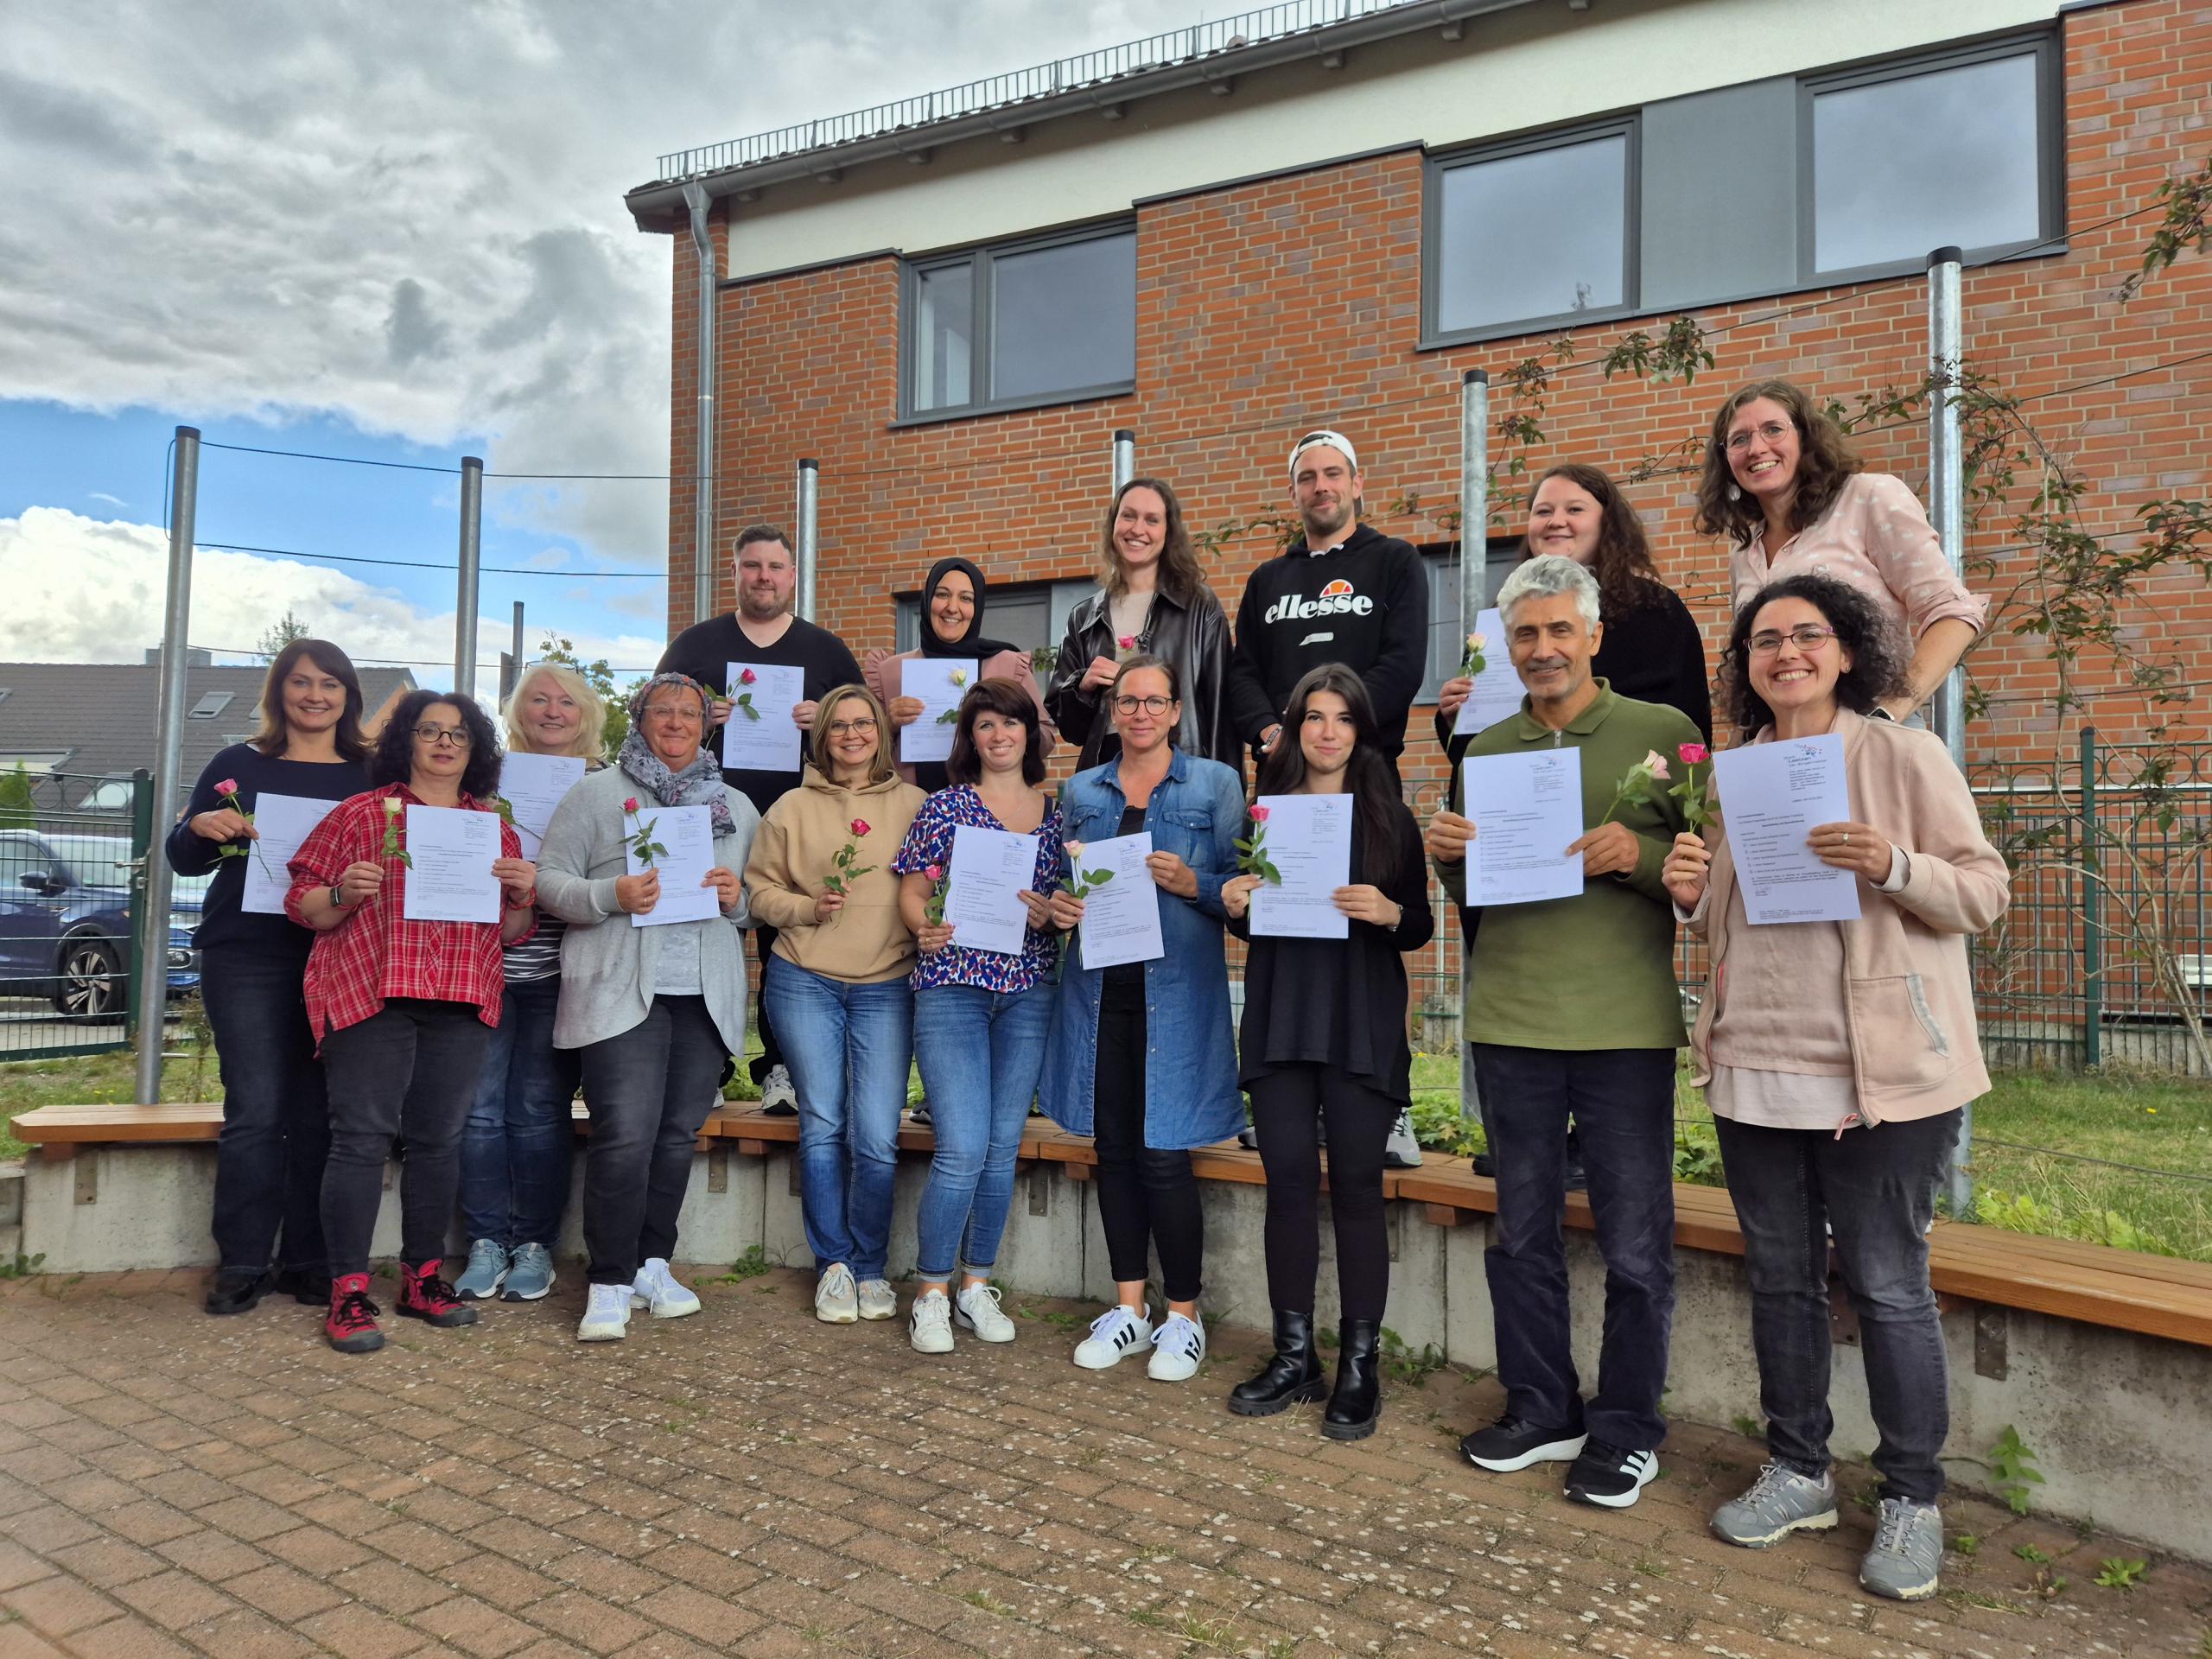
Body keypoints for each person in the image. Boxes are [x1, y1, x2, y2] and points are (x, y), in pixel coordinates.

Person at [1663, 575, 2008, 1602]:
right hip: (1754, 1066)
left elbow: (1982, 891)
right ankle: (1799, 1470)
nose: (1786, 654)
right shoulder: (1738, 771)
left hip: (1884, 1073)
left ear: (1847, 651)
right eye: (1764, 641)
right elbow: (1728, 917)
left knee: (1888, 1285)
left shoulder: (1903, 754)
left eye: (1806, 635)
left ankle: (1911, 1498)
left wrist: (1893, 863)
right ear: (1748, 665)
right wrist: (1690, 895)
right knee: (1779, 1281)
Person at [1427, 555, 1699, 1510]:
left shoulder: (1663, 734)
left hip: (1623, 1025)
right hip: (1512, 1020)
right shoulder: (1485, 749)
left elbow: (1709, 867)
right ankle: (1543, 1407)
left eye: (1557, 630)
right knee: (1521, 1236)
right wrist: (1447, 857)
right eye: (1525, 634)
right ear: (1508, 648)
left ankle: (1627, 1429)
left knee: (1636, 1246)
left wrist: (1642, 854)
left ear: (1592, 636)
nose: (1542, 648)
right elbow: (1477, 893)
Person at [285, 690, 537, 1355]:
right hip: (373, 993)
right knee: (360, 1141)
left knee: (438, 1142)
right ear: (407, 741)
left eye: (460, 734)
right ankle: (347, 1290)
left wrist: (520, 893)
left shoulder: (493, 828)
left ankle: (422, 1278)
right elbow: (304, 904)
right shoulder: (361, 814)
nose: (446, 743)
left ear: (476, 750)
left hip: (460, 995)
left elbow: (513, 931)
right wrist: (342, 892)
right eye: (430, 730)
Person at [1221, 664, 1433, 1440]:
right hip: (1282, 1017)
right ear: (1295, 727)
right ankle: (1294, 1357)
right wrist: (1234, 902)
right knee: (1285, 1186)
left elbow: (1419, 925)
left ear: (1361, 730)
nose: (1328, 731)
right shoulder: (1266, 815)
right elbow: (1253, 918)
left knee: (1356, 1191)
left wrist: (1388, 910)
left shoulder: (1389, 818)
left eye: (1343, 718)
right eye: (1314, 716)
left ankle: (1360, 1366)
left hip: (1358, 1024)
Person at [1040, 655, 1245, 1382]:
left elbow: (1243, 889)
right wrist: (1061, 908)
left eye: (1155, 702)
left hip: (1177, 999)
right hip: (1099, 997)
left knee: (1164, 1154)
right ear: (1113, 710)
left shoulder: (1215, 784)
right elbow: (1061, 884)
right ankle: (1129, 1308)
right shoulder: (1081, 790)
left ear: (1176, 712)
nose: (1141, 714)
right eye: (1128, 701)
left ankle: (1183, 1317)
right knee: (1116, 1152)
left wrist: (1196, 884)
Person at [537, 674, 756, 1343]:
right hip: (621, 990)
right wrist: (613, 895)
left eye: (689, 712)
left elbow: (754, 904)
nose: (676, 722)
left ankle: (651, 1266)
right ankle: (608, 1281)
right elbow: (548, 882)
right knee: (625, 1134)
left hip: (703, 994)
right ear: (640, 718)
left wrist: (737, 900)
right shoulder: (596, 793)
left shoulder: (736, 806)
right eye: (663, 710)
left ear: (707, 725)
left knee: (674, 1137)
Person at [168, 639, 373, 1316]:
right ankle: (244, 1261)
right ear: (279, 690)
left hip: (339, 955)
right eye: (301, 682)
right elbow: (183, 857)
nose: (315, 696)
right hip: (247, 954)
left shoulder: (372, 774)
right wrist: (199, 828)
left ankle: (310, 1261)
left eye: (330, 685)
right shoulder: (237, 763)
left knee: (322, 1113)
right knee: (255, 1108)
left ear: (348, 697)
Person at [658, 523, 863, 1115]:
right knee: (705, 937)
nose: (764, 577)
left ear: (793, 576)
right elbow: (656, 716)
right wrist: (700, 715)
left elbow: (864, 729)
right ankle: (709, 1068)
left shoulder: (825, 650)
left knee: (785, 944)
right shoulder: (695, 645)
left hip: (798, 821)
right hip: (704, 821)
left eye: (775, 567)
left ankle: (780, 1069)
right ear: (735, 573)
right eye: (752, 566)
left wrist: (825, 718)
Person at [742, 683, 925, 1326]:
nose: (852, 735)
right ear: (821, 736)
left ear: (881, 732)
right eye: (839, 725)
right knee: (822, 1125)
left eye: (863, 723)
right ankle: (835, 1266)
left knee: (876, 1135)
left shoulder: (916, 804)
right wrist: (805, 907)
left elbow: (938, 884)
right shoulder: (791, 807)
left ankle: (871, 1267)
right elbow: (759, 892)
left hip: (887, 983)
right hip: (805, 980)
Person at [891, 677, 1064, 1356]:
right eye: (985, 725)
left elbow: (1067, 905)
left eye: (1010, 723)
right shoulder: (946, 805)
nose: (999, 735)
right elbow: (913, 890)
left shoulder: (1057, 815)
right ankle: (931, 1292)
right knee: (962, 1147)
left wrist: (1051, 913)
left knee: (999, 1149)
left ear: (1029, 734)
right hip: (953, 987)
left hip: (1027, 991)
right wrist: (922, 927)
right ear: (971, 737)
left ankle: (975, 1285)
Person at [1696, 377, 1986, 723]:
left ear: (1805, 437)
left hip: (1872, 729)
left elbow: (1952, 613)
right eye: (1739, 439)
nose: (1756, 448)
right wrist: (1743, 745)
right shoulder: (1744, 554)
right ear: (1725, 459)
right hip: (1781, 740)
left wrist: (1888, 714)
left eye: (1773, 430)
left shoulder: (1868, 499)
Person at [453, 664, 605, 1303]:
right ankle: (486, 1242)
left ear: (586, 714)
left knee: (539, 1110)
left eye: (566, 701)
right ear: (518, 711)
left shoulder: (603, 784)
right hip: (483, 966)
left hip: (560, 970)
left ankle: (535, 1244)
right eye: (538, 699)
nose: (552, 711)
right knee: (479, 1111)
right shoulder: (482, 780)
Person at [1439, 463, 1711, 747]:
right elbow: (1473, 751)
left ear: (1607, 523)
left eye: (1574, 509)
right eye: (1543, 511)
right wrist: (1456, 716)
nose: (1556, 521)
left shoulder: (1653, 609)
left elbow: (1683, 725)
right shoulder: (1504, 612)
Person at [1227, 429, 1428, 778]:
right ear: (1293, 493)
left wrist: (1334, 728)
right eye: (1307, 478)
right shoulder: (1266, 580)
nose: (1320, 486)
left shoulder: (1395, 561)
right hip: (1283, 771)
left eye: (1332, 474)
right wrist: (1272, 732)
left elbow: (1402, 664)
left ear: (1356, 484)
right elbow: (1243, 675)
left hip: (1367, 771)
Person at [1046, 478, 1237, 772]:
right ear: (1113, 524)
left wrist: (1226, 787)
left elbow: (1222, 711)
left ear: (1168, 532)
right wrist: (1082, 688)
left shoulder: (1200, 606)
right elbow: (1071, 730)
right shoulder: (1083, 616)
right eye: (1129, 516)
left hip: (1182, 766)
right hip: (1105, 769)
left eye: (1152, 520)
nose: (1137, 529)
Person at [864, 556, 1056, 794]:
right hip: (910, 807)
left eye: (966, 598)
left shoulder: (1007, 666)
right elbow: (860, 751)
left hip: (991, 805)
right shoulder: (891, 672)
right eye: (942, 594)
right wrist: (889, 725)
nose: (952, 607)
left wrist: (1007, 729)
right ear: (927, 600)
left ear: (978, 607)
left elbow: (1046, 739)